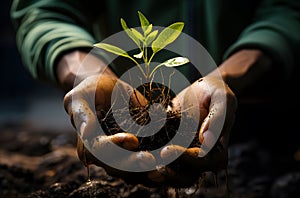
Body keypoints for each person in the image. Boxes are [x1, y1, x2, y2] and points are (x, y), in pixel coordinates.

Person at [10, 0, 300, 188]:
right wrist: (90, 74)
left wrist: (225, 78)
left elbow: (288, 10)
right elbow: (44, 8)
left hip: (274, 127)